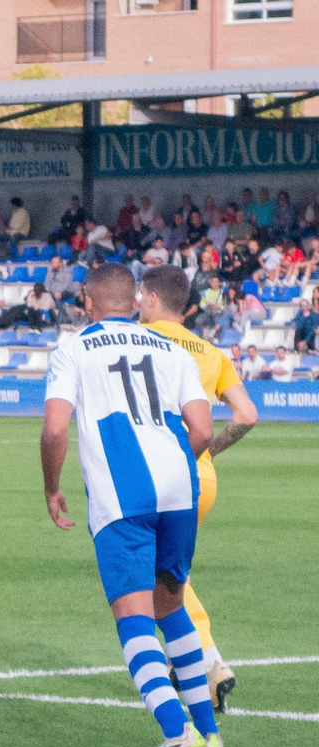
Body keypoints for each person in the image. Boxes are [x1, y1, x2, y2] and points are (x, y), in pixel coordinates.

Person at [40, 263, 219, 747]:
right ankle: (209, 734)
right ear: (135, 301)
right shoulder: (173, 348)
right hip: (180, 489)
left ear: (87, 302)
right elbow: (203, 429)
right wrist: (175, 464)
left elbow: (55, 429)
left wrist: (52, 487)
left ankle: (176, 731)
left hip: (123, 495)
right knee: (171, 606)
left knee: (133, 617)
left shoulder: (73, 349)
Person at [140, 266, 258, 720]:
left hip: (158, 471)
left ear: (153, 299)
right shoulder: (210, 351)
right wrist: (208, 453)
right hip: (200, 475)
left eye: (142, 296)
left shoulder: (138, 339)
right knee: (172, 574)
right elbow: (246, 415)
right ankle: (200, 660)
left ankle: (207, 661)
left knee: (158, 578)